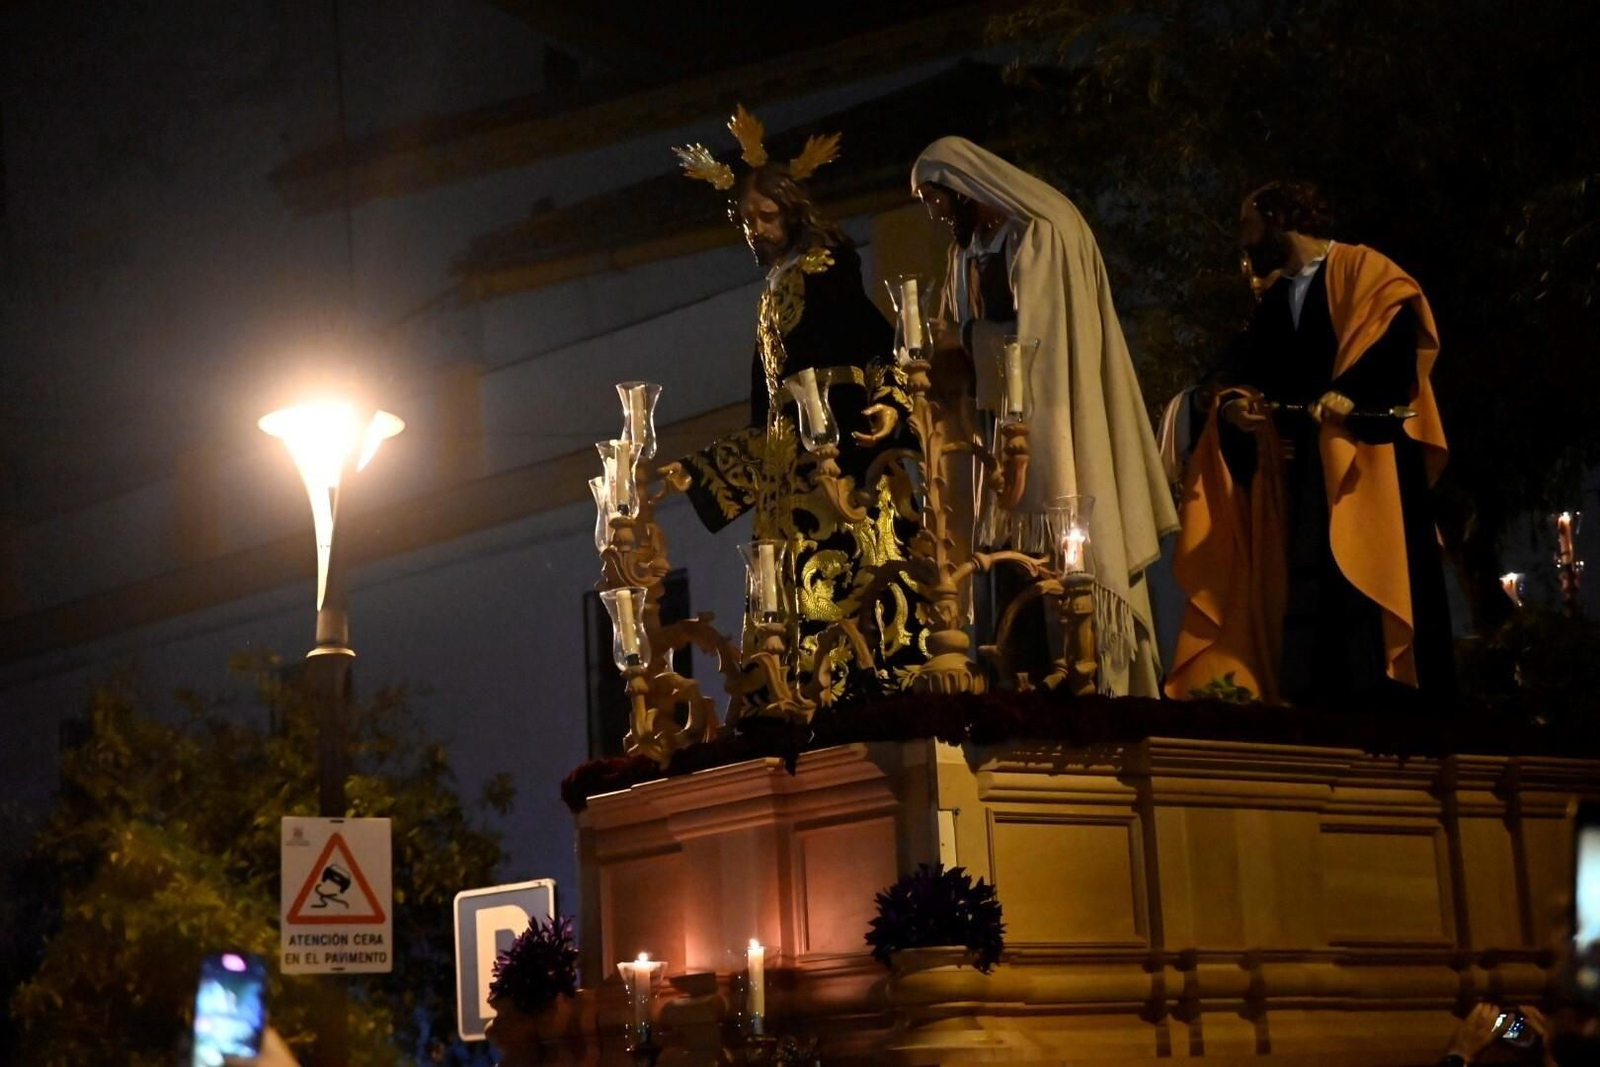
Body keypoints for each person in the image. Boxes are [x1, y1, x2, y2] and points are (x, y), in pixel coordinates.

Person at [661, 107, 924, 703]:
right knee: (786, 597)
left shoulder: (827, 266)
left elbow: (875, 341)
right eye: (748, 220)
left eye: (768, 215)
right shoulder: (770, 291)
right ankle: (791, 690)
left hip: (842, 448)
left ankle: (857, 684)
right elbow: (764, 414)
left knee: (853, 576)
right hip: (786, 462)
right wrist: (701, 471)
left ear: (792, 210)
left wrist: (889, 404)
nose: (757, 229)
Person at [1166, 180, 1454, 706]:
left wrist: (1350, 393)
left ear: (1278, 220)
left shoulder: (1366, 272)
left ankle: (1395, 712)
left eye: (1247, 223)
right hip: (1308, 475)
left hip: (1372, 466)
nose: (1242, 240)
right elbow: (1233, 372)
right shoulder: (1277, 296)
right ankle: (1324, 711)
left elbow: (1392, 349)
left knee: (1371, 592)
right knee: (1310, 589)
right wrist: (1233, 406)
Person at [910, 136, 1179, 697]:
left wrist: (960, 337)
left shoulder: (1043, 232)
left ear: (964, 188)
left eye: (935, 199)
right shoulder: (966, 253)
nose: (934, 214)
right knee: (1002, 563)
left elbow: (1042, 346)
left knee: (1066, 545)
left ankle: (1087, 678)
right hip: (996, 437)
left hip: (1054, 422)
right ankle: (1023, 675)